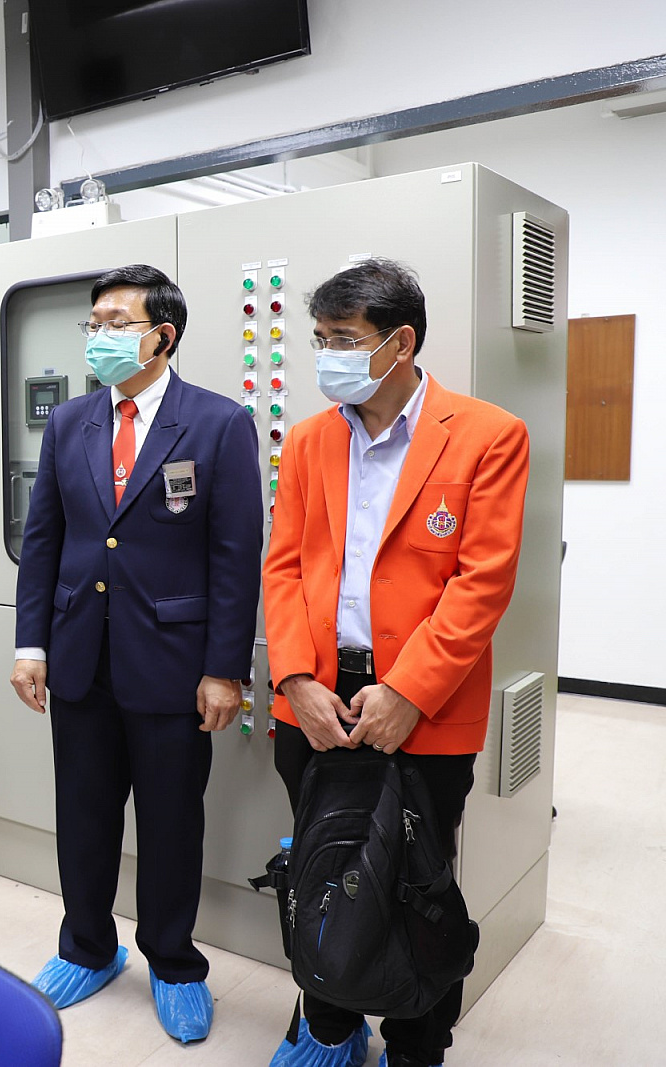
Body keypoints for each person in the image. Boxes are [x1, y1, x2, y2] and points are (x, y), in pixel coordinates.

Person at [263, 258, 530, 1067]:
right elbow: (282, 568)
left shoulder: (488, 435)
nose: (327, 355)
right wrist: (295, 678)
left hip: (425, 701)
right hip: (316, 695)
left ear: (401, 342)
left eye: (345, 339)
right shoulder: (309, 441)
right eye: (320, 338)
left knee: (417, 875)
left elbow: (482, 584)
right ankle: (330, 1025)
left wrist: (408, 690)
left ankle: (417, 1042)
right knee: (320, 864)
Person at [11, 264, 262, 1041]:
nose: (99, 337)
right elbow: (44, 540)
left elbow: (234, 556)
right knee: (83, 815)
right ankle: (88, 947)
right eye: (93, 324)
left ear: (163, 335)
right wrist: (31, 644)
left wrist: (225, 668)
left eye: (116, 324)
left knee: (170, 823)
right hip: (79, 656)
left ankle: (175, 962)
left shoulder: (218, 423)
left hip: (174, 664)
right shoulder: (70, 422)